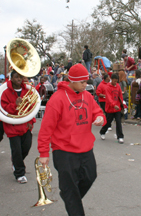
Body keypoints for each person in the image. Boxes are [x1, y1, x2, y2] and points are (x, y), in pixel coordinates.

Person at [37, 64, 105, 216]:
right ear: (72, 81)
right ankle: (70, 197)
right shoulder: (57, 99)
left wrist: (100, 118)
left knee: (90, 177)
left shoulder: (87, 95)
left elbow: (97, 111)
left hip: (85, 149)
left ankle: (69, 196)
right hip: (64, 151)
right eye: (82, 82)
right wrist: (43, 152)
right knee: (70, 189)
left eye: (86, 81)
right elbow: (46, 129)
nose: (85, 85)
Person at [1, 70, 36, 183]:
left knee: (26, 147)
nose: (19, 79)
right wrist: (15, 105)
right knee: (16, 150)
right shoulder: (5, 92)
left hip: (25, 125)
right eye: (16, 77)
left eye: (20, 77)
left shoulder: (27, 90)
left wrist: (32, 121)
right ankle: (20, 173)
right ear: (11, 78)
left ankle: (16, 162)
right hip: (12, 126)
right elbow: (3, 108)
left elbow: (32, 108)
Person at [99, 73, 125, 143]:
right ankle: (102, 132)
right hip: (110, 108)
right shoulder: (108, 87)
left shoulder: (118, 86)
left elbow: (120, 96)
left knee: (118, 122)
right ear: (111, 80)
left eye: (116, 81)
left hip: (117, 108)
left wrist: (122, 104)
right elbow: (109, 98)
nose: (115, 83)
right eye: (114, 81)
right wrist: (114, 105)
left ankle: (120, 136)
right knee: (108, 122)